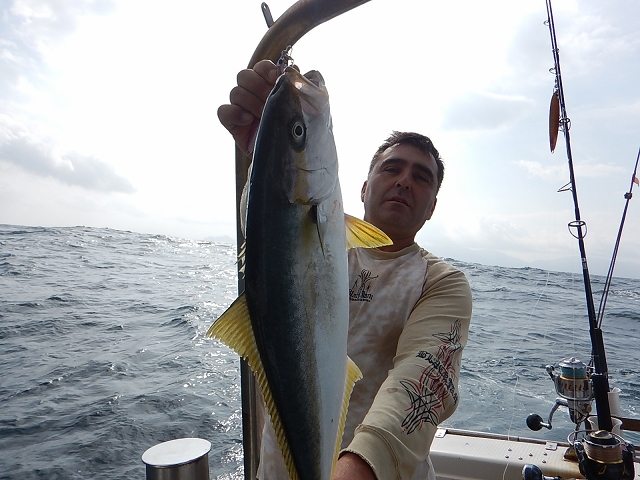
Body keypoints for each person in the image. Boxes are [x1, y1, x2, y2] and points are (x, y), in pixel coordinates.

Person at [218, 60, 472, 480]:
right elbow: (269, 229)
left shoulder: (441, 283)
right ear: (364, 188)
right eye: (391, 168)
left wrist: (356, 470)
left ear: (432, 208)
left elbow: (421, 381)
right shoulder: (324, 242)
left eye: (421, 177)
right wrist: (262, 155)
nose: (404, 181)